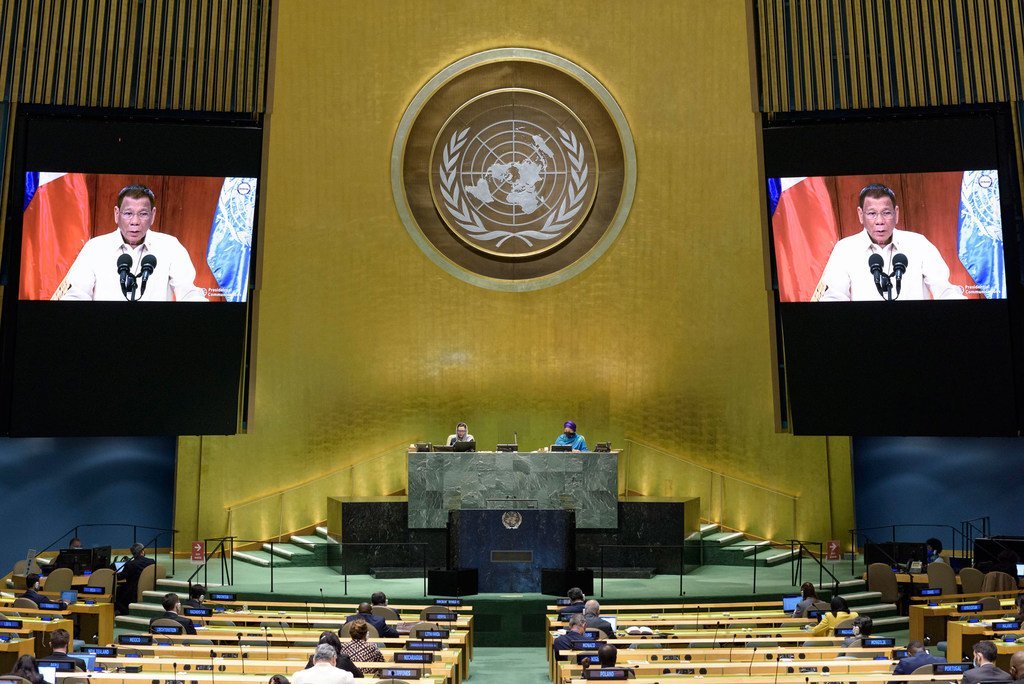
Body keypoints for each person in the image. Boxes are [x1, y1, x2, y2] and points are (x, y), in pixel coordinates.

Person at [817, 184, 965, 302]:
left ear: (896, 213)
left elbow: (945, 290)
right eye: (872, 214)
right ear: (861, 215)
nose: (880, 221)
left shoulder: (919, 244)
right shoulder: (845, 249)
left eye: (886, 213)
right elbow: (835, 297)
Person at [60, 184, 208, 302]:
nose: (135, 222)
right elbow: (77, 294)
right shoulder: (95, 248)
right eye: (128, 213)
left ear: (153, 215)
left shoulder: (170, 247)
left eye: (143, 214)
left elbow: (188, 292)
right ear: (117, 214)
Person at [115, 543, 156, 615]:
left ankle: (125, 612)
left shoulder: (130, 564)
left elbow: (121, 576)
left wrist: (114, 573)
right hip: (149, 587)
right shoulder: (151, 561)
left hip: (133, 590)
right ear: (142, 551)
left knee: (116, 592)